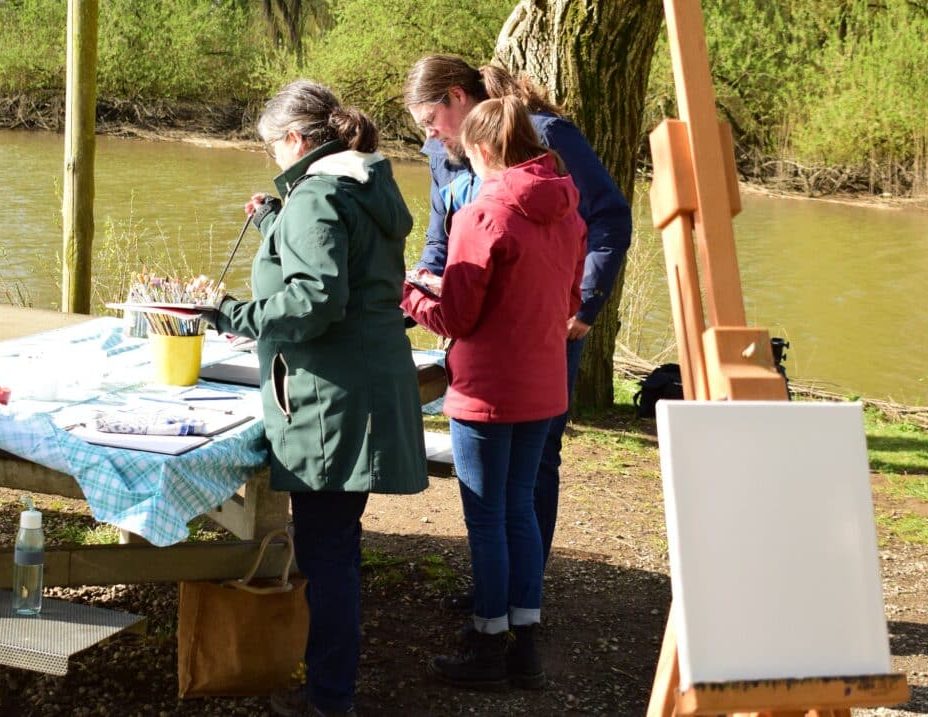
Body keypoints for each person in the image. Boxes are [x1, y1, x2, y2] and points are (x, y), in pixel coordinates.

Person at [205, 80, 429, 717]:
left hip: (333, 398)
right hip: (365, 381)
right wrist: (279, 219)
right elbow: (347, 264)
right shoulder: (359, 184)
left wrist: (231, 313)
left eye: (273, 148)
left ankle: (330, 699)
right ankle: (334, 685)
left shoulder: (317, 194)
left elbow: (315, 301)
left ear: (296, 140)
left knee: (328, 553)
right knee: (338, 545)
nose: (273, 160)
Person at [404, 55, 633, 605]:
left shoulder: (545, 133)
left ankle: (521, 595)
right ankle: (500, 589)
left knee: (531, 464)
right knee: (497, 478)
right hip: (479, 328)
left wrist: (584, 304)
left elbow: (606, 218)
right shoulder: (444, 151)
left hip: (548, 328)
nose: (430, 134)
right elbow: (442, 233)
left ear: (458, 98)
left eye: (430, 119)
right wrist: (429, 282)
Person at [401, 96, 586, 689]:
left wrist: (412, 291)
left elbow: (456, 316)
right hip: (543, 382)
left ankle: (486, 645)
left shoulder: (482, 214)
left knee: (487, 517)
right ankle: (523, 646)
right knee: (520, 509)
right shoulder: (569, 210)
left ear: (483, 150)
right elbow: (570, 300)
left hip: (487, 390)